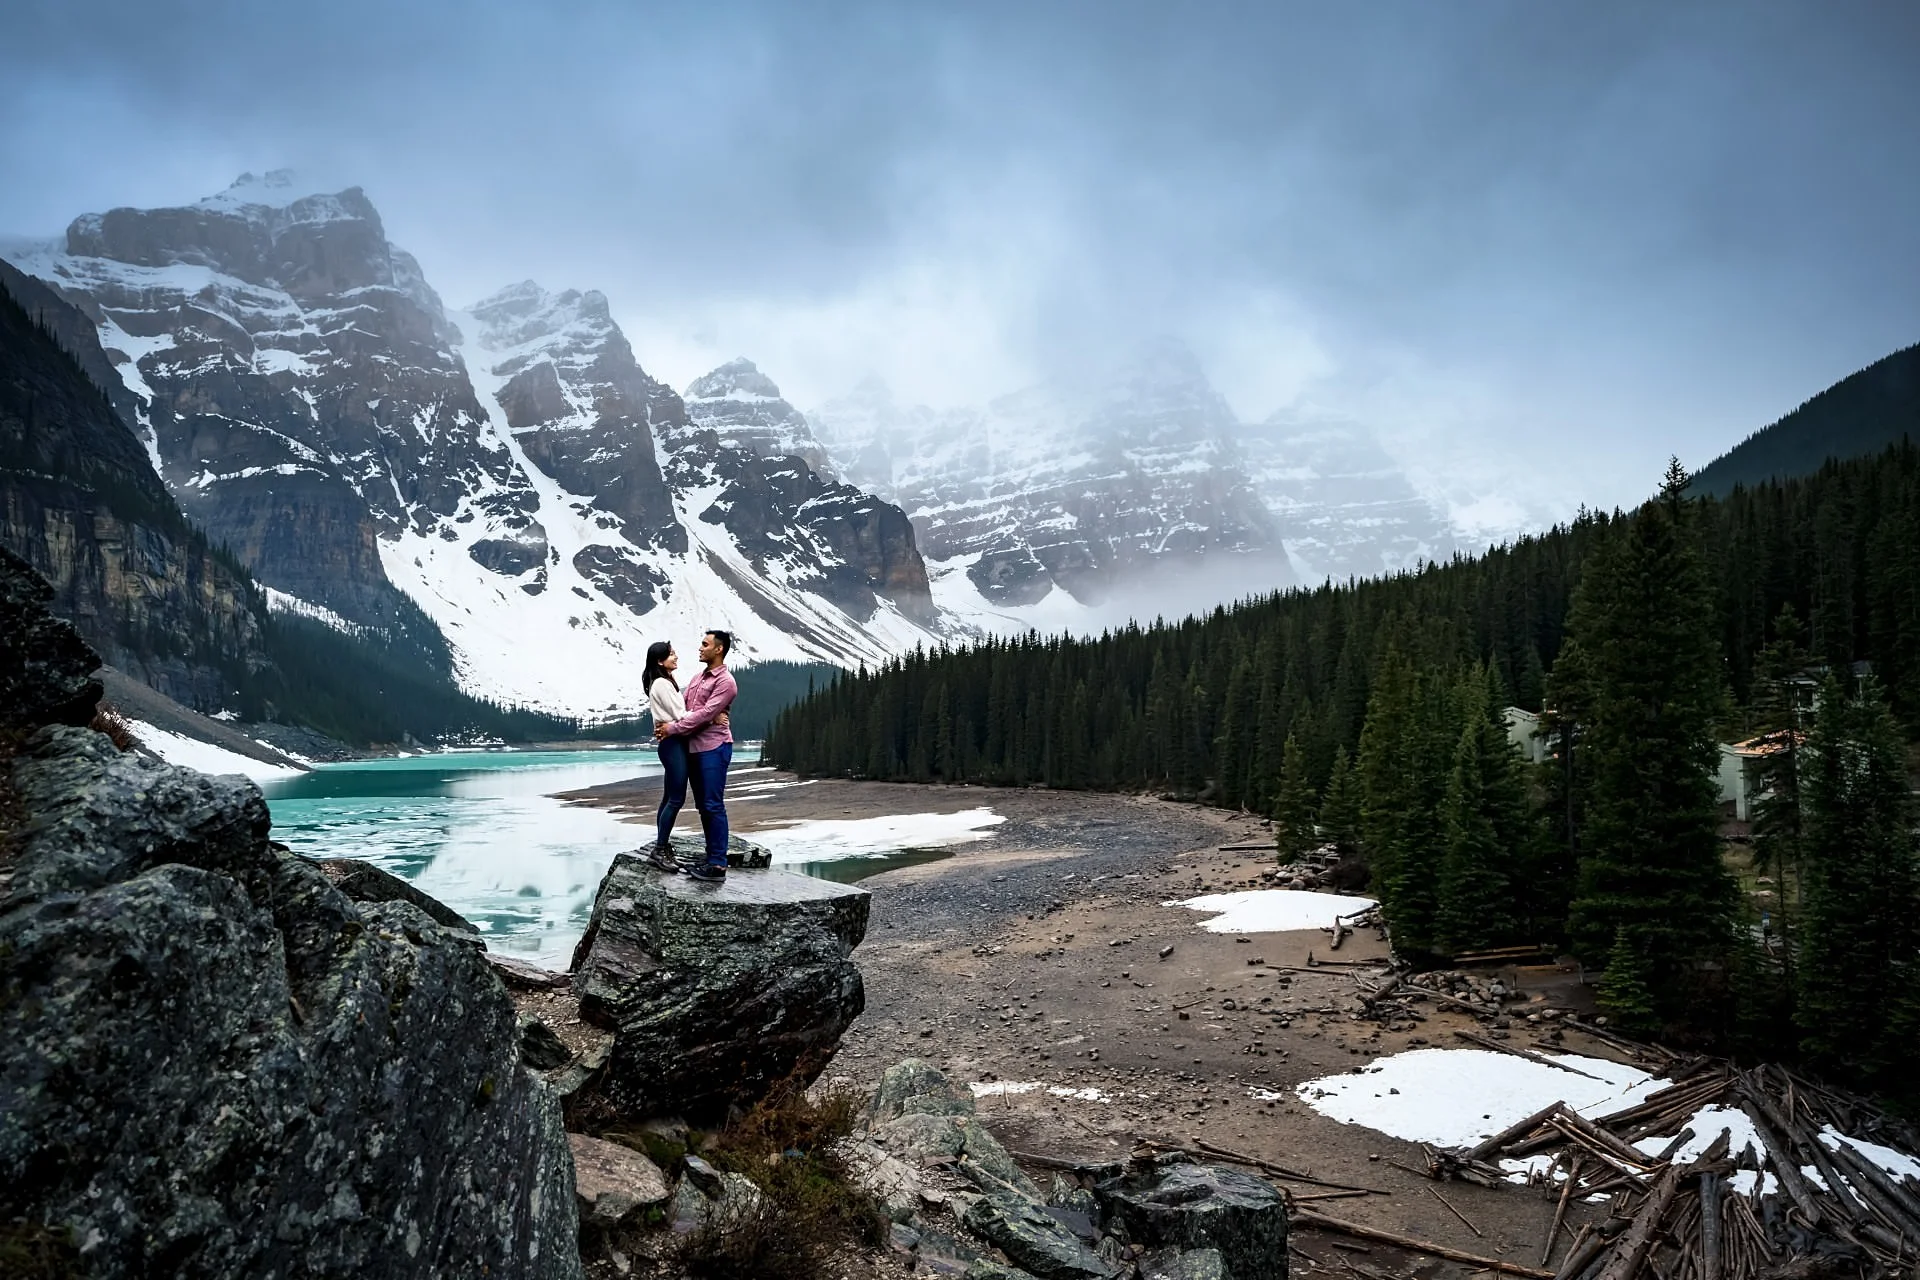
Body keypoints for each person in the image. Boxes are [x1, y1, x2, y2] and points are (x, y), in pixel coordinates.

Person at [655, 629, 737, 881]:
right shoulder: (697, 678)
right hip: (694, 748)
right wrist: (709, 717)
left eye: (705, 644)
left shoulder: (726, 682)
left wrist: (673, 728)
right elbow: (688, 710)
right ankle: (712, 855)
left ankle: (717, 865)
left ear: (718, 649)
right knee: (703, 807)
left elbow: (700, 715)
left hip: (714, 747)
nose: (700, 648)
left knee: (712, 805)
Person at [640, 641, 691, 873]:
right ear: (660, 661)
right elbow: (680, 715)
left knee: (669, 797)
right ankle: (660, 849)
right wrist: (711, 717)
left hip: (672, 743)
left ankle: (662, 846)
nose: (676, 657)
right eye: (671, 654)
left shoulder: (664, 681)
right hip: (673, 745)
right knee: (676, 799)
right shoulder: (661, 683)